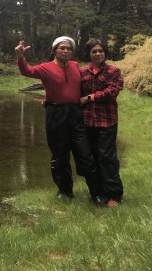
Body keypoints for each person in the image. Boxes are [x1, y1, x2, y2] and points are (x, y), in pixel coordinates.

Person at [15, 36, 104, 204]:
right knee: (59, 156)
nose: (65, 50)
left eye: (69, 48)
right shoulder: (45, 68)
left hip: (76, 114)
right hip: (55, 115)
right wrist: (20, 57)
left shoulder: (75, 66)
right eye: (62, 48)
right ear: (54, 50)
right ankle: (65, 192)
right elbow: (26, 71)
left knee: (85, 155)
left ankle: (97, 194)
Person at [79, 39, 124, 208]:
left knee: (107, 158)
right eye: (94, 51)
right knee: (91, 159)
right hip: (87, 122)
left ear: (105, 53)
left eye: (101, 51)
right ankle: (97, 193)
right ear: (88, 54)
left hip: (107, 121)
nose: (98, 54)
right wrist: (50, 99)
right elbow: (72, 92)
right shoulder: (82, 72)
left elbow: (112, 91)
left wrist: (90, 97)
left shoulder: (114, 71)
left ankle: (114, 194)